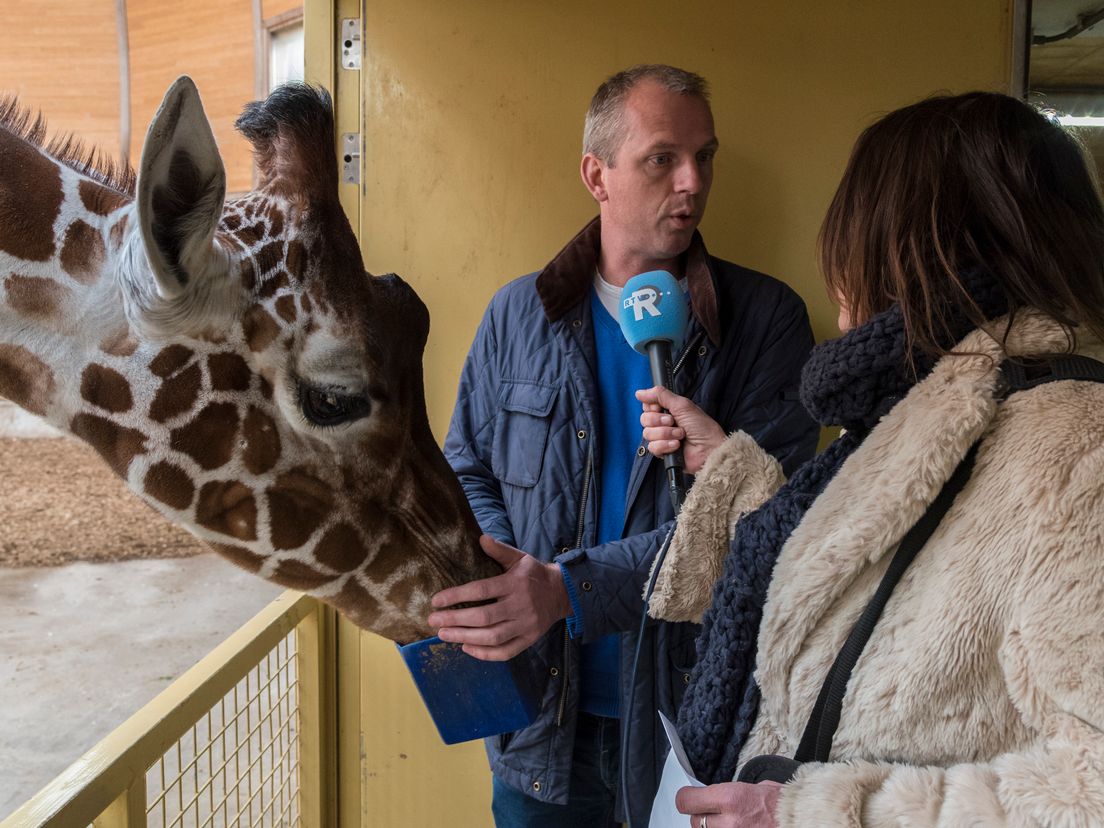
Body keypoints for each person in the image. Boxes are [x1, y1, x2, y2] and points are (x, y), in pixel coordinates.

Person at [642, 91, 1104, 827]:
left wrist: (824, 813)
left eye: (849, 230)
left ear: (906, 247)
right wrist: (733, 473)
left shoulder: (1079, 448)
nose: (837, 271)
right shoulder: (942, 402)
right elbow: (885, 589)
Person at [428, 64, 819, 827]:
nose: (693, 182)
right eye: (662, 158)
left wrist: (565, 589)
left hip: (696, 725)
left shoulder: (767, 320)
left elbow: (774, 523)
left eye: (705, 157)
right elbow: (466, 462)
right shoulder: (518, 314)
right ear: (596, 174)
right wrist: (512, 575)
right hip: (540, 727)